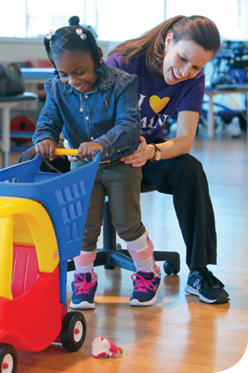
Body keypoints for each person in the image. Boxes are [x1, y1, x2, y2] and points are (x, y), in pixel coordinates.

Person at [33, 16, 163, 309]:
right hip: (83, 166)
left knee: (127, 223)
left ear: (99, 58)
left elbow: (129, 125)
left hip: (121, 163)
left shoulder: (123, 83)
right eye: (64, 74)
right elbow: (48, 120)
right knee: (82, 226)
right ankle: (84, 277)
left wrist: (101, 144)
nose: (73, 81)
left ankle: (147, 273)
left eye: (80, 72)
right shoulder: (57, 88)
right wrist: (45, 138)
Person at [106, 15, 230, 304]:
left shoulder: (193, 80)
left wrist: (153, 151)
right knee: (37, 160)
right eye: (183, 58)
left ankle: (199, 271)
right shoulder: (123, 63)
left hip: (146, 153)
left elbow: (185, 140)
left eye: (197, 66)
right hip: (105, 153)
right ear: (169, 40)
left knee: (190, 170)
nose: (187, 71)